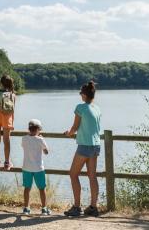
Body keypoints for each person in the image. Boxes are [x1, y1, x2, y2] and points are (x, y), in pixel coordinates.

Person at [64, 81, 102, 217]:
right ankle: (93, 207)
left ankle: (76, 207)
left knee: (73, 174)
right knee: (92, 176)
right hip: (96, 145)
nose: (80, 96)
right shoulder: (97, 108)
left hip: (85, 145)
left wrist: (68, 133)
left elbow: (74, 127)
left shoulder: (80, 107)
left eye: (81, 93)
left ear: (84, 95)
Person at [21, 119, 51, 215]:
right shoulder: (40, 139)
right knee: (42, 189)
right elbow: (46, 152)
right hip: (38, 168)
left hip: (26, 167)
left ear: (29, 129)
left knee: (27, 188)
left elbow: (24, 146)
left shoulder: (24, 138)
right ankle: (44, 209)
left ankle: (26, 208)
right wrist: (41, 139)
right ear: (38, 129)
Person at [0, 75, 16, 170]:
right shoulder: (12, 95)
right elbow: (13, 110)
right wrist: (12, 123)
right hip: (7, 118)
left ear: (1, 83)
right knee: (7, 141)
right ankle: (7, 163)